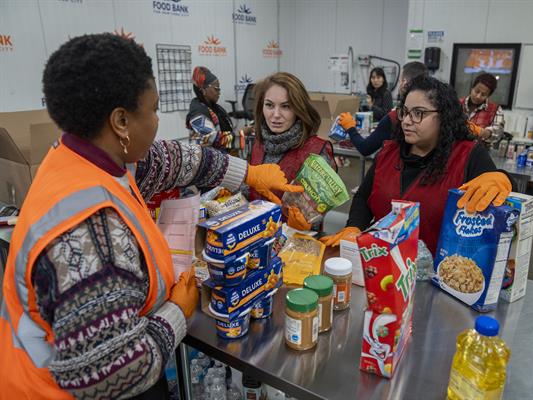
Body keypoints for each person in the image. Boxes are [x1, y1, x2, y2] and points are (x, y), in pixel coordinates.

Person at [0, 34, 302, 399]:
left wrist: (249, 174)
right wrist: (178, 311)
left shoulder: (87, 155)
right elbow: (115, 374)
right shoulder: (88, 232)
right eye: (155, 109)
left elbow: (176, 159)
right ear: (121, 121)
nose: (159, 120)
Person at [321, 76, 513, 254]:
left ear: (444, 116)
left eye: (418, 113)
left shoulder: (467, 155)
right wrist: (354, 227)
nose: (406, 121)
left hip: (434, 276)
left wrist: (503, 178)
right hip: (379, 265)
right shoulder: (390, 152)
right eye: (404, 112)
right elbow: (364, 197)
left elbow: (498, 199)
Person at [249, 72, 336, 231]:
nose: (275, 115)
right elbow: (248, 190)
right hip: (252, 235)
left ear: (298, 109)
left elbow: (315, 213)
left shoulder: (316, 151)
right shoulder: (259, 143)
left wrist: (307, 220)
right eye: (269, 105)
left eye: (286, 106)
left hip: (294, 244)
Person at [344, 62, 428, 157]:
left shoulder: (394, 117)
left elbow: (365, 148)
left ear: (404, 83)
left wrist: (350, 127)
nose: (375, 80)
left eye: (378, 77)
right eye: (373, 78)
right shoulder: (430, 116)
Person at [186, 66, 234, 150]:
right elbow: (214, 140)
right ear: (203, 90)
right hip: (207, 161)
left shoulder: (215, 107)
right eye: (216, 88)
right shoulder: (197, 114)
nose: (219, 92)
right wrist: (242, 135)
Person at [460, 72, 505, 141]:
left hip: (478, 150)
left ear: (488, 96)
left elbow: (498, 132)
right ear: (472, 88)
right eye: (476, 91)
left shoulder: (495, 110)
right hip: (456, 149)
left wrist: (486, 133)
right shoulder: (457, 104)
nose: (478, 96)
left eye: (483, 95)